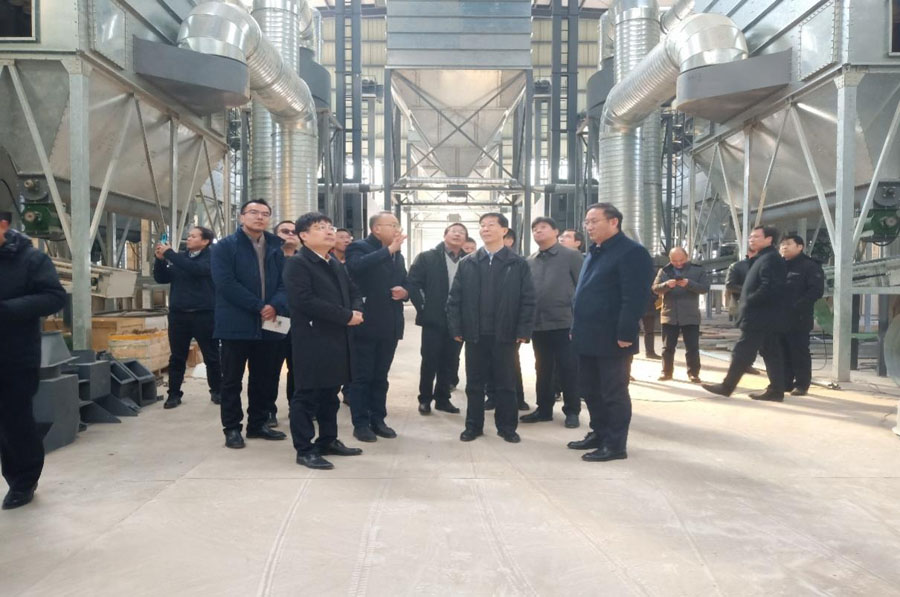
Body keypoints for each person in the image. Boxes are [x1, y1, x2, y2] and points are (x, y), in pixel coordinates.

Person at [568, 203, 653, 462]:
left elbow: (635, 298)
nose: (588, 226)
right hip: (587, 334)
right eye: (587, 222)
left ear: (614, 222)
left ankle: (615, 445)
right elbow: (583, 294)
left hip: (613, 337)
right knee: (589, 389)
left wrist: (626, 333)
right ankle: (599, 433)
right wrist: (575, 328)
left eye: (594, 221)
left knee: (613, 392)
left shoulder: (632, 252)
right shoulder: (594, 252)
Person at [283, 213, 364, 470]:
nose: (329, 231)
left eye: (330, 227)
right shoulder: (298, 264)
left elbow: (353, 290)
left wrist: (356, 309)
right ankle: (304, 449)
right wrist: (345, 316)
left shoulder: (333, 262)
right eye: (320, 228)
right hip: (313, 338)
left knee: (330, 393)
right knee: (307, 395)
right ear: (304, 236)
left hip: (338, 337)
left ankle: (328, 440)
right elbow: (304, 301)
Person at [447, 212, 536, 444]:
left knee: (506, 384)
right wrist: (456, 327)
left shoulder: (517, 263)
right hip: (475, 333)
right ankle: (473, 426)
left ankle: (507, 427)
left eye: (491, 225)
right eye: (482, 225)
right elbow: (454, 298)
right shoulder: (468, 262)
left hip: (505, 334)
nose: (485, 229)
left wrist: (523, 330)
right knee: (474, 384)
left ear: (504, 230)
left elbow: (528, 299)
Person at [0, 211, 66, 509]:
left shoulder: (31, 259)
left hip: (14, 354)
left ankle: (22, 481)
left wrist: (7, 309)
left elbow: (54, 296)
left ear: (3, 225)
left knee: (15, 421)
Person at [211, 199, 289, 448]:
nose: (259, 217)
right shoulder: (224, 247)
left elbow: (285, 282)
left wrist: (274, 305)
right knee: (231, 379)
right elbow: (225, 283)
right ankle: (232, 428)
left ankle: (258, 424)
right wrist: (258, 306)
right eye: (253, 212)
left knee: (264, 377)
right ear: (241, 216)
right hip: (236, 322)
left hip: (270, 322)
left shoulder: (276, 246)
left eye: (265, 213)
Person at [703, 226, 787, 402]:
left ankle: (727, 386)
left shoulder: (771, 259)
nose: (751, 239)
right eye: (751, 237)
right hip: (764, 315)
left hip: (760, 315)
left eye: (756, 237)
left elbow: (769, 287)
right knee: (771, 352)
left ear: (769, 239)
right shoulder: (763, 258)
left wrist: (749, 300)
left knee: (742, 351)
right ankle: (776, 390)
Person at [345, 211, 409, 442]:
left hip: (390, 324)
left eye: (397, 224)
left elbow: (404, 280)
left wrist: (405, 292)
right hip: (366, 323)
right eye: (392, 224)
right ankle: (361, 423)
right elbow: (356, 267)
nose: (396, 228)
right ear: (376, 229)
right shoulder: (359, 247)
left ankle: (378, 419)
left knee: (381, 376)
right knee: (362, 377)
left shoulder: (397, 255)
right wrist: (389, 250)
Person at [520, 216, 583, 428]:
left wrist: (578, 321)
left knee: (568, 368)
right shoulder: (530, 261)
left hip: (565, 323)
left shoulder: (571, 256)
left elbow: (582, 288)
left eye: (543, 227)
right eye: (535, 229)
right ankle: (544, 409)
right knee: (543, 368)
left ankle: (572, 411)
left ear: (556, 232)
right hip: (539, 324)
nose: (538, 231)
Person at [153, 226, 221, 409]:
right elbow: (162, 278)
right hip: (179, 315)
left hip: (204, 314)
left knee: (212, 355)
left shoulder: (212, 257)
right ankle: (174, 394)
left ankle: (217, 391)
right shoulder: (181, 258)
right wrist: (160, 261)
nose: (188, 238)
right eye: (188, 236)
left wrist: (170, 254)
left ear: (205, 241)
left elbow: (196, 269)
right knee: (177, 357)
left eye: (193, 236)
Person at [406, 222, 467, 415]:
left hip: (458, 320)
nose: (457, 234)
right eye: (453, 231)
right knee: (429, 360)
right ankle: (425, 399)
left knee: (450, 360)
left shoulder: (469, 260)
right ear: (445, 235)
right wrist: (424, 307)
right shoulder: (427, 257)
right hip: (434, 318)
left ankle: (442, 399)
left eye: (462, 232)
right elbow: (413, 283)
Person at [652, 247, 709, 383]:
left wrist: (689, 284)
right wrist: (666, 285)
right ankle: (666, 372)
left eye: (681, 260)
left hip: (690, 315)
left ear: (687, 257)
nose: (678, 263)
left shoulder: (697, 270)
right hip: (670, 315)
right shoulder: (664, 271)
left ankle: (693, 373)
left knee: (692, 347)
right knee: (667, 347)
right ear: (670, 259)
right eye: (674, 261)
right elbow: (655, 289)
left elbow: (704, 288)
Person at [778, 235, 824, 396]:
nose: (784, 247)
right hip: (779, 317)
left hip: (799, 318)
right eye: (782, 244)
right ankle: (785, 383)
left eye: (788, 244)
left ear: (800, 247)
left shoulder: (809, 266)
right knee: (782, 351)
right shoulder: (778, 266)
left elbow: (816, 291)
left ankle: (802, 384)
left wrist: (797, 306)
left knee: (799, 351)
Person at [271, 219, 301, 427]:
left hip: (300, 321)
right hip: (276, 319)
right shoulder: (269, 258)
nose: (290, 234)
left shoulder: (305, 260)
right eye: (285, 231)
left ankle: (296, 408)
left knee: (297, 369)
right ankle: (268, 411)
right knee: (270, 368)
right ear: (275, 236)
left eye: (293, 231)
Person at [725, 248, 760, 374]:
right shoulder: (737, 266)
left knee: (754, 336)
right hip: (743, 304)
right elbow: (730, 285)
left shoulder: (767, 266)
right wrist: (749, 290)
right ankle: (741, 363)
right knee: (747, 335)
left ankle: (745, 363)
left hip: (761, 305)